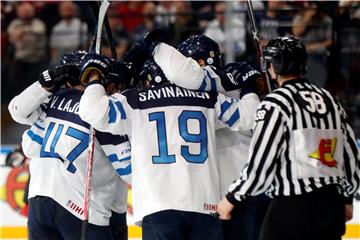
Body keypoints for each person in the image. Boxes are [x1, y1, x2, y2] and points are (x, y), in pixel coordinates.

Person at [78, 30, 260, 240]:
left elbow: (91, 111)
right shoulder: (208, 98)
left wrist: (94, 79)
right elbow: (251, 116)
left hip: (159, 206)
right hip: (205, 205)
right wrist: (249, 86)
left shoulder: (135, 101)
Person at [217, 35, 360, 240]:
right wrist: (346, 197)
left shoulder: (275, 104)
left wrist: (231, 198)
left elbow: (260, 166)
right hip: (331, 208)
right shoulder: (330, 100)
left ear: (273, 67)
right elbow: (350, 155)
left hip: (293, 210)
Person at [157, 33, 269, 240]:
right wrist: (249, 87)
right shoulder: (233, 87)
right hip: (227, 196)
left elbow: (249, 117)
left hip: (241, 194)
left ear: (199, 62)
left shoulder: (213, 95)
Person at [9, 51, 130, 240]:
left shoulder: (53, 100)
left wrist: (44, 84)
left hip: (40, 199)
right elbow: (128, 167)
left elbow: (28, 143)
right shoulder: (101, 109)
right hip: (83, 206)